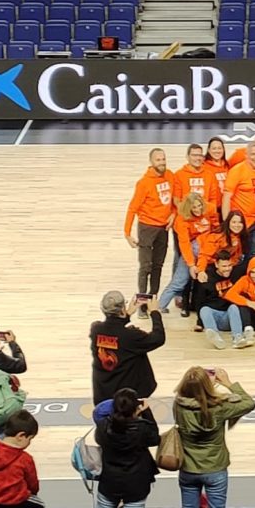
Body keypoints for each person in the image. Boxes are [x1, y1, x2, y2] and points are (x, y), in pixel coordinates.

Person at [174, 367, 255, 508]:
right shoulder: (219, 407)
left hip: (188, 468)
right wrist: (228, 383)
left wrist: (203, 385)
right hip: (215, 468)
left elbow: (195, 397)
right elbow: (248, 403)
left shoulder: (178, 405)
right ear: (207, 386)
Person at [90, 291, 165, 407]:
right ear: (122, 309)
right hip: (126, 399)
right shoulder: (132, 336)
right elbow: (158, 338)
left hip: (103, 393)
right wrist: (155, 312)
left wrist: (127, 314)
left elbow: (115, 333)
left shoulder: (95, 330)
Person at [94, 388, 160, 508]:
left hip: (109, 482)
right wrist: (146, 413)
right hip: (136, 484)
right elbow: (155, 439)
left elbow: (99, 439)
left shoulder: (103, 427)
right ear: (135, 408)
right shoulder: (142, 428)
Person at [124, 149, 175, 302]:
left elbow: (175, 199)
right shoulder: (144, 183)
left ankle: (152, 299)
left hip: (163, 229)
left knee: (158, 266)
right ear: (151, 162)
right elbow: (132, 208)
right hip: (147, 227)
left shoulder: (170, 176)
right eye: (158, 160)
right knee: (145, 266)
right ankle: (142, 301)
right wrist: (127, 233)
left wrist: (174, 213)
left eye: (163, 159)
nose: (162, 162)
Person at [0, 411, 42, 508]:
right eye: (30, 439)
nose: (29, 443)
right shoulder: (25, 459)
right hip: (16, 505)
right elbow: (33, 485)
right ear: (21, 436)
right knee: (39, 505)